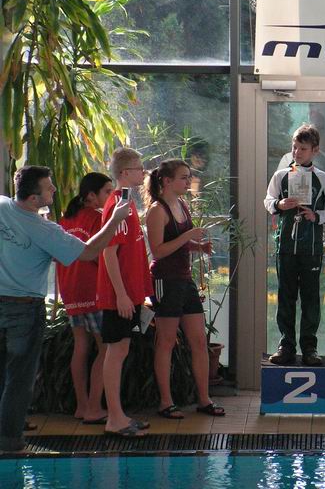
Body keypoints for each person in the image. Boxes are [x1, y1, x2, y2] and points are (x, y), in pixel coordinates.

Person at [0, 165, 130, 452]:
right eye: (49, 187)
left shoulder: (2, 206)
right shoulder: (44, 230)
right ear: (33, 199)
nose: (55, 190)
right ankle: (9, 441)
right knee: (19, 377)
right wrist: (115, 219)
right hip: (24, 308)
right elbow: (90, 251)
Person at [144, 159, 225, 419]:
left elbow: (178, 244)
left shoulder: (182, 205)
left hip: (184, 279)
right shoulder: (157, 210)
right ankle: (165, 402)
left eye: (189, 176)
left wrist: (198, 247)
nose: (188, 181)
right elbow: (158, 251)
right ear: (167, 181)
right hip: (165, 280)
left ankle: (204, 398)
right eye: (183, 177)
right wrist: (188, 237)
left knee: (199, 340)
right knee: (166, 341)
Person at [264, 125, 325, 366]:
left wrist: (316, 216)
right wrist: (279, 205)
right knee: (285, 297)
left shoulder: (323, 178)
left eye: (303, 149)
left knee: (310, 298)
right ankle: (286, 346)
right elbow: (268, 200)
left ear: (315, 151)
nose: (297, 152)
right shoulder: (281, 175)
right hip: (286, 247)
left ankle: (310, 348)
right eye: (295, 147)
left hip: (311, 248)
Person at [96, 147, 153, 438]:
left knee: (121, 349)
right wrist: (120, 294)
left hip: (129, 293)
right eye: (139, 168)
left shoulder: (128, 203)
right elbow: (109, 252)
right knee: (116, 350)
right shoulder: (117, 204)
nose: (143, 173)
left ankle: (118, 414)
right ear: (124, 173)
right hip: (119, 294)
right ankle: (114, 418)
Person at [56, 172, 114, 425]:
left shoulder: (65, 219)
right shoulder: (98, 219)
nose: (111, 196)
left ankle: (81, 406)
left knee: (81, 345)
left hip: (70, 289)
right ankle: (94, 407)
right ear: (91, 195)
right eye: (107, 192)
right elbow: (101, 256)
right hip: (92, 290)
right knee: (106, 348)